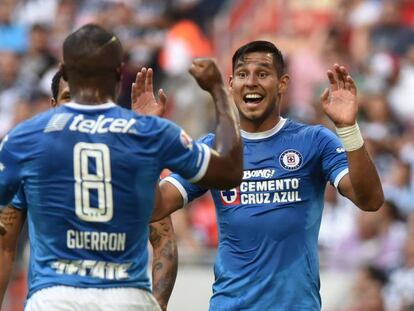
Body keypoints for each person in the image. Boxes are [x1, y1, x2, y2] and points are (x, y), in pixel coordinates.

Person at [0, 24, 243, 310]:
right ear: (119, 73)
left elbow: (5, 236)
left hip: (54, 298)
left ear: (65, 71)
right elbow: (229, 170)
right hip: (126, 296)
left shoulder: (24, 138)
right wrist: (218, 91)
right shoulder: (149, 133)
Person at [141, 40, 384, 310]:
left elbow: (370, 200)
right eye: (243, 74)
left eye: (263, 73)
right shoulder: (213, 148)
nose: (251, 82)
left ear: (282, 83)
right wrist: (148, 139)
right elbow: (155, 207)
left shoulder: (313, 140)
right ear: (231, 84)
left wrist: (348, 128)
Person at [0, 69, 178, 311]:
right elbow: (4, 246)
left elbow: (162, 238)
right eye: (67, 97)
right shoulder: (29, 158)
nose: (77, 108)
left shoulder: (130, 155)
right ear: (53, 106)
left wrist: (158, 304)